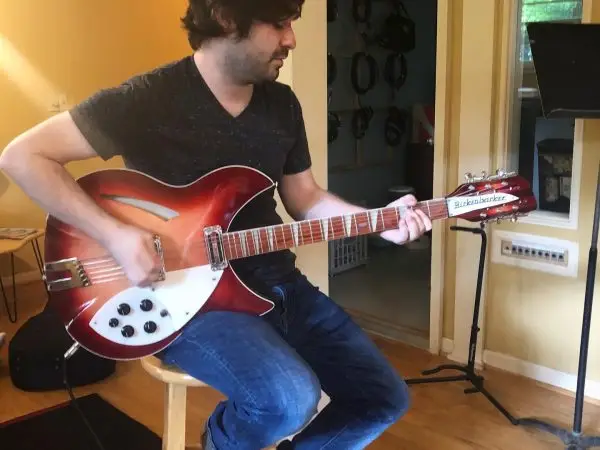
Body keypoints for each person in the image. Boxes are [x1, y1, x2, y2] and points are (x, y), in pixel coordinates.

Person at [0, 1, 432, 448]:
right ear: (226, 18)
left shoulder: (282, 104)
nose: (291, 39)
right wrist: (115, 234)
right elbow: (22, 157)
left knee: (383, 398)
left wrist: (376, 222)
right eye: (279, 24)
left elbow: (305, 198)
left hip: (277, 283)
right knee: (288, 401)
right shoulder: (148, 98)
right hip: (185, 300)